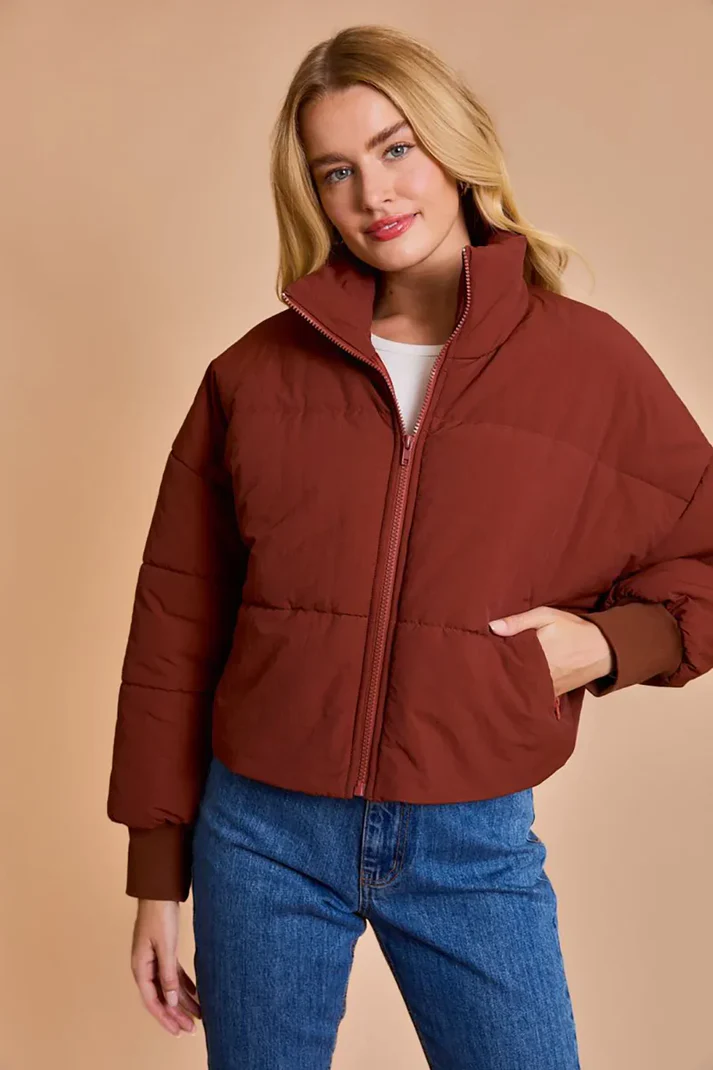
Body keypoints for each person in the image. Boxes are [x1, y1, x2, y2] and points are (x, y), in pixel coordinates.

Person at [106, 23, 713, 1070]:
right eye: (334, 170)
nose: (372, 193)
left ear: (453, 147)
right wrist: (157, 873)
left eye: (396, 148)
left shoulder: (588, 364)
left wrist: (607, 646)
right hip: (259, 834)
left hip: (467, 837)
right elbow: (176, 623)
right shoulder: (254, 376)